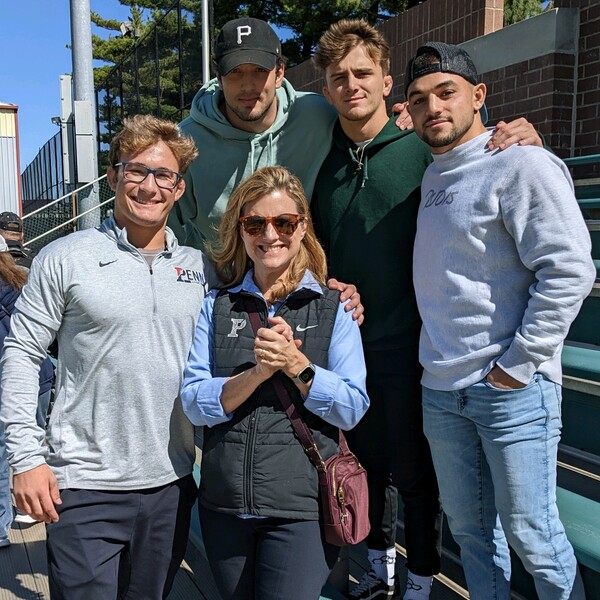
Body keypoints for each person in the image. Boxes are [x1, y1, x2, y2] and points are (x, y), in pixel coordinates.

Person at [311, 20, 544, 600]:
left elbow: (477, 154)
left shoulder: (425, 153)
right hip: (349, 345)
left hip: (418, 346)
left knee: (415, 473)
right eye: (339, 77)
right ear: (327, 89)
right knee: (365, 468)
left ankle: (420, 578)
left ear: (386, 82)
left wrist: (523, 134)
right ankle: (377, 565)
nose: (351, 85)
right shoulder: (324, 164)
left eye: (363, 73)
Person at [405, 42, 596, 599]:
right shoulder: (433, 176)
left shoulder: (521, 163)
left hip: (511, 389)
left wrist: (517, 365)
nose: (434, 107)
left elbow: (568, 271)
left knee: (533, 535)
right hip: (441, 390)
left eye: (447, 93)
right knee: (471, 536)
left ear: (479, 96)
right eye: (419, 99)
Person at [0, 115, 217, 598]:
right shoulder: (65, 256)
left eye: (164, 175)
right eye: (136, 171)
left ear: (179, 188)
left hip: (172, 482)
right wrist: (25, 458)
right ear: (113, 176)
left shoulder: (198, 269)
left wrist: (335, 290)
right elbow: (21, 353)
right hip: (82, 485)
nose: (149, 186)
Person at [181, 165, 370, 600]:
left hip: (300, 509)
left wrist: (296, 366)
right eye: (256, 223)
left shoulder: (334, 307)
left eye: (284, 222)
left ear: (302, 227)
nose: (271, 235)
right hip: (224, 505)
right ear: (241, 231)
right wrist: (257, 373)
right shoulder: (216, 306)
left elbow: (352, 407)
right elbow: (194, 401)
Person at [0, 238, 54, 548]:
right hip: (39, 379)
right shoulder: (21, 280)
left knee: (12, 448)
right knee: (33, 439)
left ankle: (30, 506)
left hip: (23, 379)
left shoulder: (11, 289)